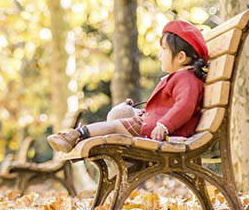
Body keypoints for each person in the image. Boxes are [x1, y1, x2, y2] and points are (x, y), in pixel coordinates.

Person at [48, 19, 209, 153]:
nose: (160, 54)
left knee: (115, 126)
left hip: (162, 130)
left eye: (164, 49)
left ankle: (76, 135)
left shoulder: (186, 79)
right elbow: (165, 106)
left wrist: (165, 125)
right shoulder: (180, 77)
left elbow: (184, 106)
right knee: (120, 113)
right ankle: (76, 137)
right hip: (152, 123)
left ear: (181, 57)